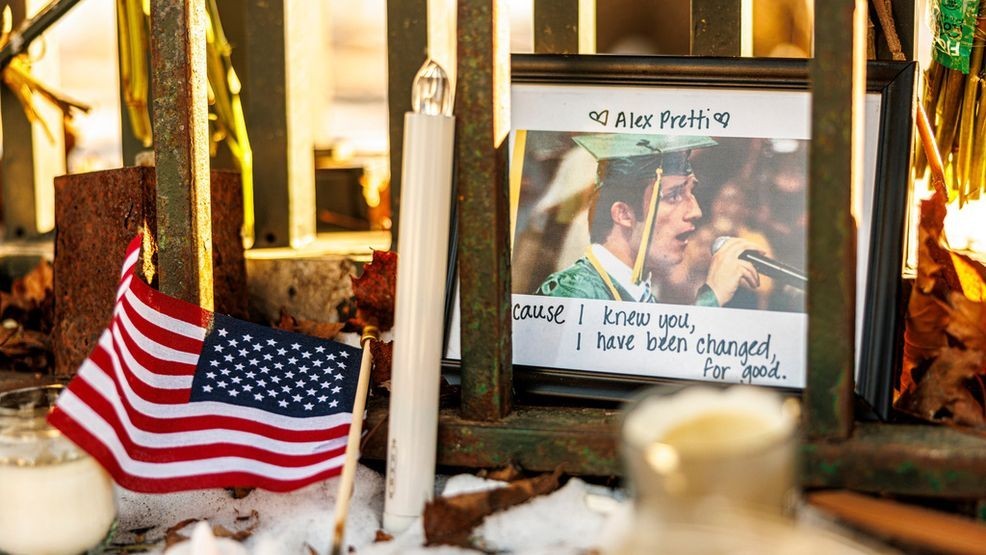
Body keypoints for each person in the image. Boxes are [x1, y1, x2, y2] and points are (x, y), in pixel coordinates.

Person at [535, 133, 764, 307]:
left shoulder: (640, 293)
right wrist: (711, 297)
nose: (696, 211)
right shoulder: (571, 295)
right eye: (674, 194)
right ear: (623, 214)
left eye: (691, 192)